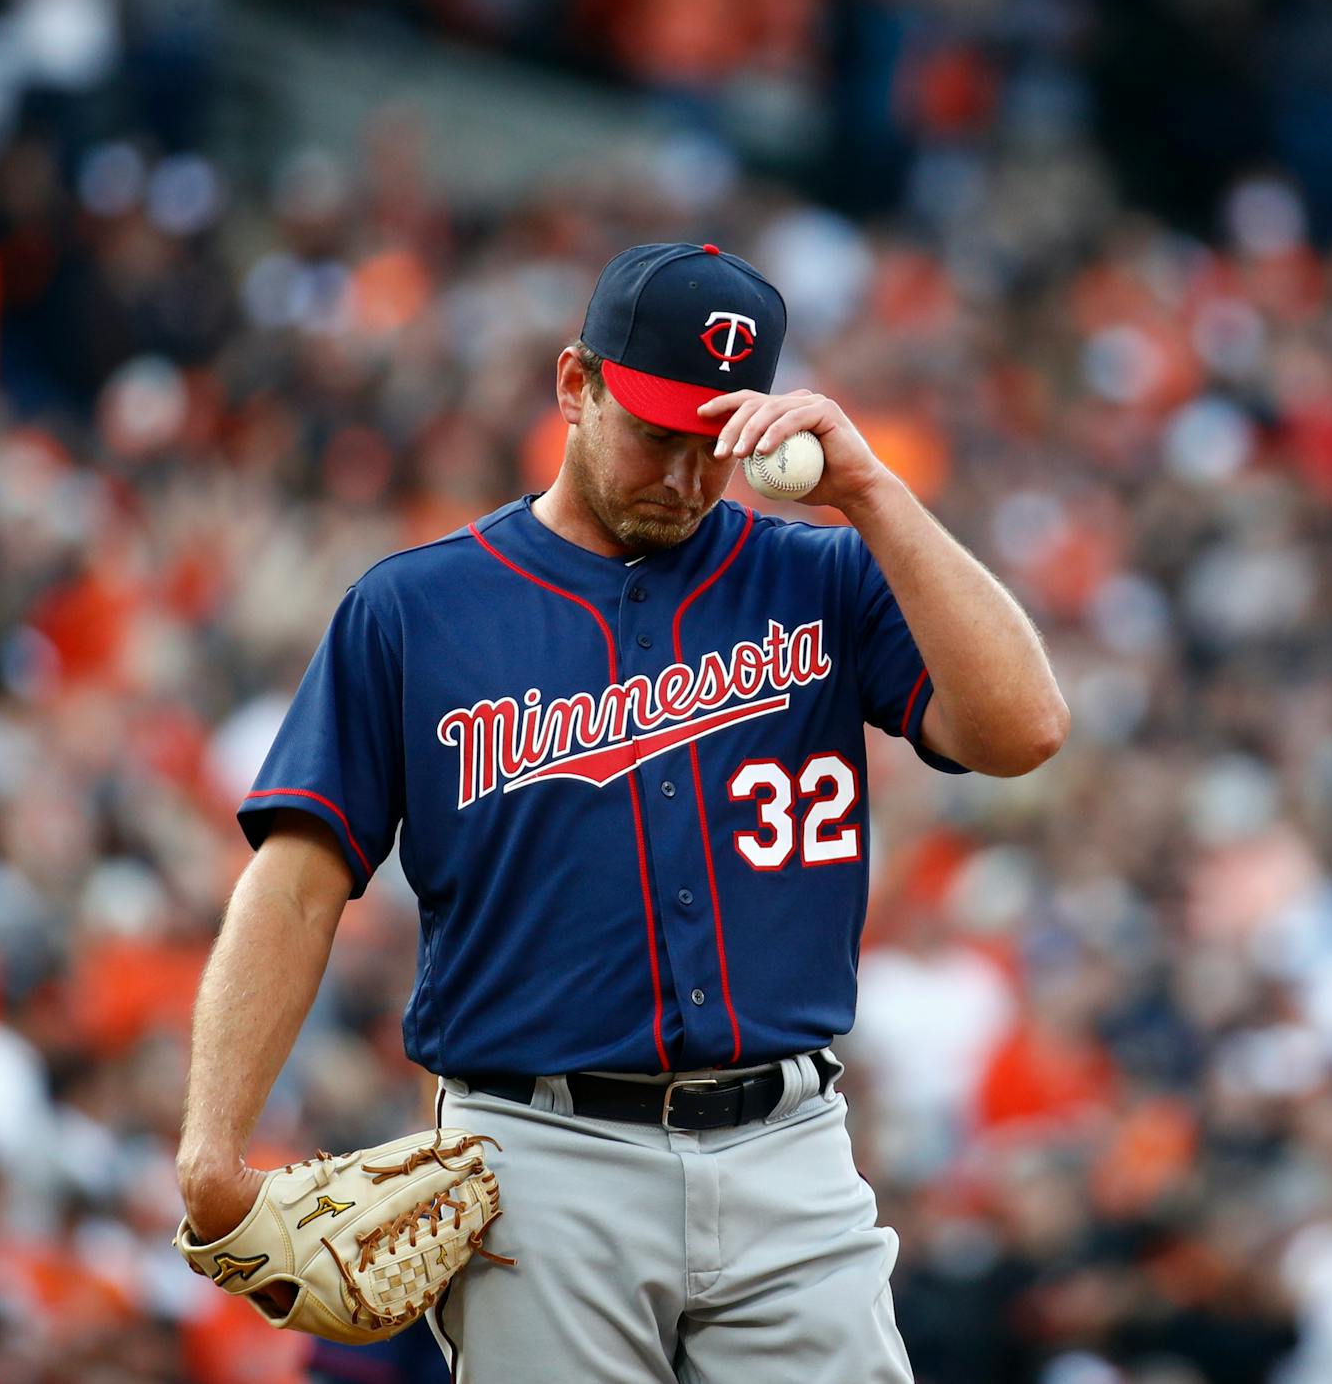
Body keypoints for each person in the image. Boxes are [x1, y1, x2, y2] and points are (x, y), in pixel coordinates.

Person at [172, 241, 1069, 1382]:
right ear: (574, 386)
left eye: (716, 445)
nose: (687, 477)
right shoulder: (416, 610)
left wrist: (874, 494)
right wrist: (213, 1146)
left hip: (788, 1150)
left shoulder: (824, 577)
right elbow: (296, 885)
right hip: (540, 1158)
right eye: (656, 432)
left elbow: (1023, 728)